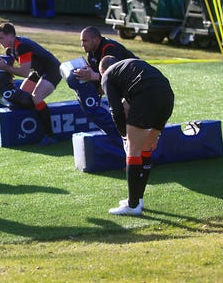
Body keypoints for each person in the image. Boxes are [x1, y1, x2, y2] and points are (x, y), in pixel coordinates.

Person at [99, 56, 174, 216]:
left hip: (147, 96)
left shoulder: (107, 75)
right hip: (167, 96)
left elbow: (116, 110)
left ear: (102, 71)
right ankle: (137, 199)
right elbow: (127, 103)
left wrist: (124, 136)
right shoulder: (129, 68)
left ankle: (133, 205)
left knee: (132, 151)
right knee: (146, 149)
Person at [0, 22, 62, 145]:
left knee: (36, 97)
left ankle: (50, 135)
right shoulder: (10, 50)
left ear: (11, 36)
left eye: (1, 38)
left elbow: (24, 72)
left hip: (53, 70)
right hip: (40, 71)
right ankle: (32, 129)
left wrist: (4, 66)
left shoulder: (22, 46)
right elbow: (12, 67)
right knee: (22, 96)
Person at [62, 26, 137, 137]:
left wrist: (92, 76)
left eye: (85, 40)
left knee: (126, 111)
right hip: (122, 82)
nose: (82, 44)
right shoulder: (91, 52)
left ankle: (130, 137)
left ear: (96, 40)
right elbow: (101, 79)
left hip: (135, 81)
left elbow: (115, 76)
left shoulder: (110, 49)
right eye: (81, 41)